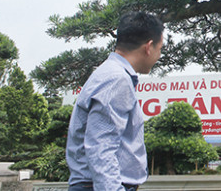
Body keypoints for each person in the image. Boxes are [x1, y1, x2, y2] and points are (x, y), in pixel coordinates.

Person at [66, 11, 164, 191]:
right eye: (160, 49)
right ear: (148, 47)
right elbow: (101, 147)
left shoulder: (108, 73)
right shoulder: (116, 79)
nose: (159, 56)